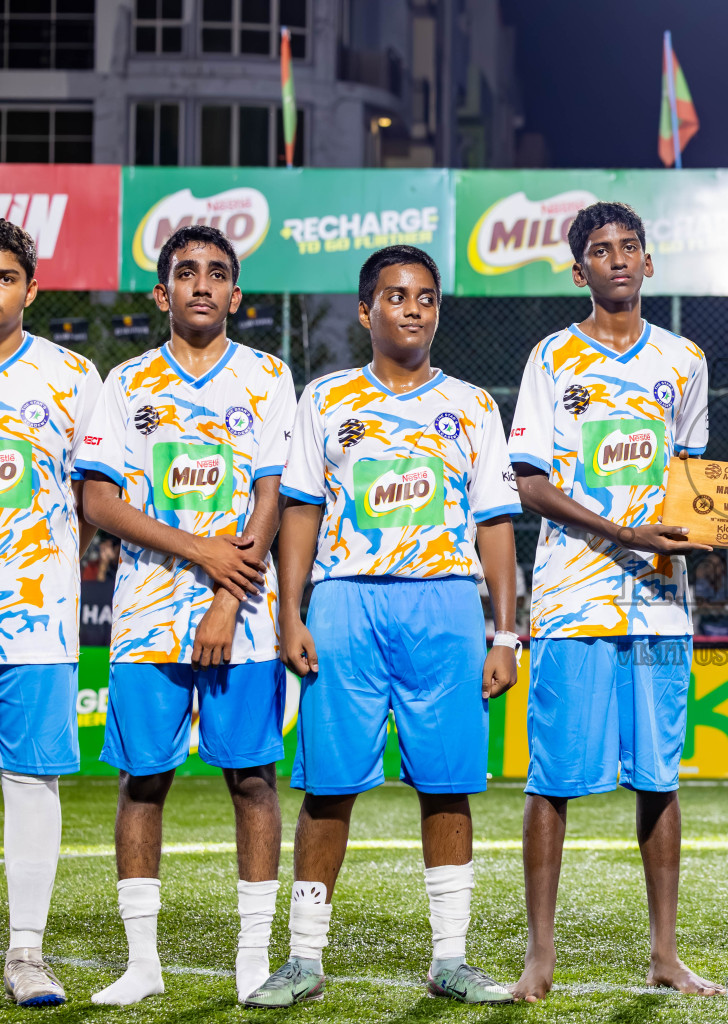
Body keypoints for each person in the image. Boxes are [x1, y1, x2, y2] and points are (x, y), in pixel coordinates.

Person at [246, 246, 522, 1007]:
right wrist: (290, 610)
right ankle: (304, 958)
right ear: (367, 309)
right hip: (346, 605)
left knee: (448, 786)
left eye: (426, 297)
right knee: (329, 787)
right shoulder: (327, 398)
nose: (412, 308)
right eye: (396, 296)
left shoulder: (471, 405)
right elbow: (301, 509)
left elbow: (495, 524)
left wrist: (505, 633)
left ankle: (451, 960)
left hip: (443, 606)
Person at [508, 201, 720, 1001]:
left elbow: (695, 485)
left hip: (663, 606)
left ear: (649, 263)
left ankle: (666, 954)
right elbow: (530, 482)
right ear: (580, 270)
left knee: (660, 776)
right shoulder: (553, 357)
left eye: (631, 246)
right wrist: (624, 531)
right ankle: (540, 956)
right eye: (602, 250)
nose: (619, 259)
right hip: (572, 598)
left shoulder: (684, 359)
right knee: (553, 779)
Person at [77, 225, 294, 1006]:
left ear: (236, 295)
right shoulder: (127, 382)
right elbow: (98, 500)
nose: (201, 284)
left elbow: (271, 498)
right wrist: (200, 551)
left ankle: (252, 958)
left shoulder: (269, 377)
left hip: (243, 622)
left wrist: (227, 599)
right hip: (145, 617)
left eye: (217, 274)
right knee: (143, 782)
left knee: (253, 782)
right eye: (186, 272)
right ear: (161, 293)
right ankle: (142, 963)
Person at [0, 220, 101, 1007]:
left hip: (35, 615)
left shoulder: (72, 376)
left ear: (32, 289)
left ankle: (26, 953)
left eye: (6, 276)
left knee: (31, 780)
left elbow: (98, 496)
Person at [693, 553, 728, 637]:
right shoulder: (701, 583)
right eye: (709, 565)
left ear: (723, 567)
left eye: (717, 565)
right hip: (708, 627)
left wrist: (713, 606)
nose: (713, 569)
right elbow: (701, 605)